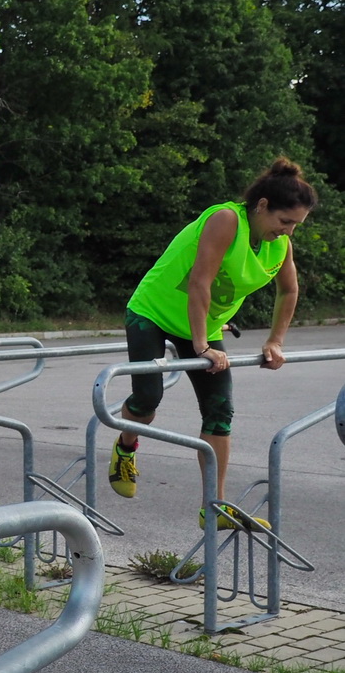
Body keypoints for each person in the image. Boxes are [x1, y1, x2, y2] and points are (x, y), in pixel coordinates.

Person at [107, 159, 316, 525]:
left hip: (203, 323)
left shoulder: (279, 246)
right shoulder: (226, 219)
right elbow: (200, 281)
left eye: (296, 226)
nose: (287, 232)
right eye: (285, 222)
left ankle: (214, 507)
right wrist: (203, 346)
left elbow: (289, 290)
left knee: (220, 411)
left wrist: (275, 341)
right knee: (148, 399)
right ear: (262, 205)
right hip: (153, 313)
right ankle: (126, 449)